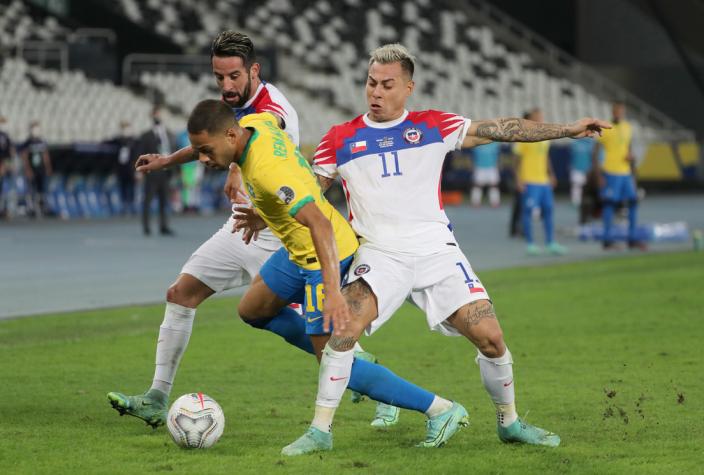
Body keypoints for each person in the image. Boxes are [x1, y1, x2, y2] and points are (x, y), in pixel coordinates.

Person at [262, 43, 610, 455]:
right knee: (343, 331)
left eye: (387, 85)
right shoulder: (339, 139)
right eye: (371, 83)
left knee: (492, 339)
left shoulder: (434, 126)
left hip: (437, 252)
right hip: (379, 254)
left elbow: (500, 128)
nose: (375, 91)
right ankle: (320, 430)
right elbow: (308, 197)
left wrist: (566, 129)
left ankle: (510, 422)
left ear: (408, 87)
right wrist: (265, 208)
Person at [108, 31, 399, 429]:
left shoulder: (271, 104)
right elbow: (210, 141)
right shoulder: (229, 114)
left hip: (284, 233)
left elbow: (256, 139)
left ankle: (382, 392)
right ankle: (158, 397)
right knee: (181, 293)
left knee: (326, 336)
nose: (226, 86)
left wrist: (232, 170)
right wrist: (166, 161)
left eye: (233, 77)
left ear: (253, 71)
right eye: (218, 77)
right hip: (242, 225)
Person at [193, 101, 463, 452]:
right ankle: (356, 364)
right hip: (298, 249)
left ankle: (439, 409)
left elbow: (318, 223)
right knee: (253, 310)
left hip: (325, 254)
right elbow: (268, 123)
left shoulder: (267, 171)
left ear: (231, 135)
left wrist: (332, 291)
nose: (201, 159)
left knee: (332, 361)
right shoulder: (256, 121)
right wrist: (170, 161)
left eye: (205, 151)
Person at [593, 101, 646, 250]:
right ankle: (607, 240)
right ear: (612, 112)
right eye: (616, 111)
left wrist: (632, 163)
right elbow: (595, 153)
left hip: (625, 173)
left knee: (633, 202)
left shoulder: (628, 127)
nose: (619, 113)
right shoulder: (605, 127)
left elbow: (628, 149)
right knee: (609, 204)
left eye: (621, 111)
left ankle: (632, 238)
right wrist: (598, 176)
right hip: (610, 172)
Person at [513, 109, 567, 256]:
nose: (541, 118)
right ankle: (530, 243)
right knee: (528, 212)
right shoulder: (522, 135)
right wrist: (518, 179)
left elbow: (546, 157)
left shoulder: (544, 136)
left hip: (544, 181)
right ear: (530, 118)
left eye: (541, 116)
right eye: (537, 116)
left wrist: (551, 174)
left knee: (549, 210)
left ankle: (550, 243)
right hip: (529, 180)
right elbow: (516, 160)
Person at [138, 106, 175, 235]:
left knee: (164, 201)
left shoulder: (169, 134)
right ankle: (146, 226)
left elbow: (173, 151)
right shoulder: (146, 135)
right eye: (155, 115)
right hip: (152, 173)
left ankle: (164, 225)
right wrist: (140, 171)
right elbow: (141, 154)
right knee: (148, 200)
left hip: (166, 172)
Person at [20, 121, 52, 218]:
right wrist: (27, 169)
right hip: (32, 169)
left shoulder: (42, 141)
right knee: (32, 189)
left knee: (42, 189)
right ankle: (32, 208)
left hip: (41, 169)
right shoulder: (27, 142)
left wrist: (48, 167)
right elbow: (24, 156)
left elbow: (45, 155)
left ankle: (42, 207)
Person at [112, 120, 138, 215]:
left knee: (132, 188)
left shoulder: (134, 141)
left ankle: (132, 207)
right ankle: (124, 207)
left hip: (131, 168)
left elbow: (137, 155)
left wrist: (137, 170)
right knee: (122, 188)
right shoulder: (118, 141)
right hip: (121, 169)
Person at [470, 141, 501, 207]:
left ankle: (494, 202)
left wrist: (497, 166)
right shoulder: (476, 141)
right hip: (479, 166)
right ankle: (475, 202)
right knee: (477, 185)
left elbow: (497, 156)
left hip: (492, 167)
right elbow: (473, 156)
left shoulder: (495, 143)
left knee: (494, 185)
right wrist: (473, 166)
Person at [569, 136, 595, 207]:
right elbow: (572, 156)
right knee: (576, 185)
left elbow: (593, 157)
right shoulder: (575, 143)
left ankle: (586, 203)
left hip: (587, 169)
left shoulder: (591, 143)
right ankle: (576, 202)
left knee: (586, 187)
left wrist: (591, 168)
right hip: (576, 168)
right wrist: (571, 166)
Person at [0, 115, 16, 218]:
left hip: (6, 164)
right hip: (2, 164)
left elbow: (11, 151)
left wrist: (10, 164)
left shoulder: (6, 136)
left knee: (8, 188)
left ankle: (7, 210)